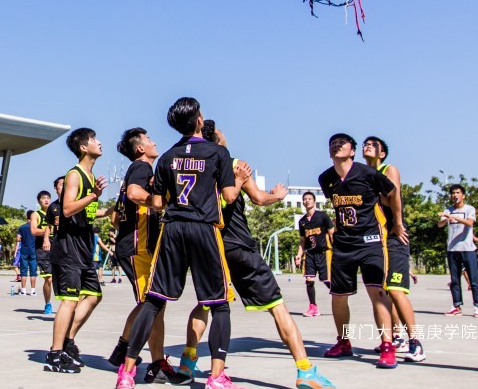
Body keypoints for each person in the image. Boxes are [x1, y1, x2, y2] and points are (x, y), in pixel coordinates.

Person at [177, 121, 335, 389]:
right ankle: (305, 371)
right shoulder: (234, 164)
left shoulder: (194, 167)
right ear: (218, 140)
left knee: (205, 304)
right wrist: (277, 195)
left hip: (209, 247)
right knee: (277, 306)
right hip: (238, 247)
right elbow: (259, 198)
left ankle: (187, 362)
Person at [117, 98, 247, 389]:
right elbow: (229, 196)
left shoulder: (167, 157)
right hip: (204, 229)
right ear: (199, 120)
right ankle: (216, 376)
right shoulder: (218, 152)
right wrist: (238, 180)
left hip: (172, 229)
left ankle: (127, 373)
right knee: (219, 304)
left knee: (153, 301)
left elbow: (158, 203)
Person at [107, 127, 188, 386]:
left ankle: (145, 358)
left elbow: (116, 217)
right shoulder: (142, 167)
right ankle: (143, 358)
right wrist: (159, 203)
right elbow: (133, 193)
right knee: (151, 304)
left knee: (153, 305)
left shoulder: (141, 171)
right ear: (141, 148)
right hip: (138, 248)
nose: (154, 142)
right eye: (149, 139)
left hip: (140, 246)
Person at [319, 133, 399, 369]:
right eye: (332, 143)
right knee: (338, 296)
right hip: (343, 244)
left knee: (377, 292)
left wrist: (397, 222)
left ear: (352, 151)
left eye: (341, 143)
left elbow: (392, 193)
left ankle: (387, 345)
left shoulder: (368, 173)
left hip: (370, 241)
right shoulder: (326, 178)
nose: (336, 145)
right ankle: (344, 342)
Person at [44, 128, 110, 374]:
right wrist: (94, 195)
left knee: (93, 295)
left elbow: (87, 212)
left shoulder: (90, 176)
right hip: (68, 247)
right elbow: (68, 208)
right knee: (69, 301)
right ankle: (54, 354)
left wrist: (109, 211)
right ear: (83, 147)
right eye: (94, 139)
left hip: (84, 248)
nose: (99, 142)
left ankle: (67, 341)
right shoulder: (75, 175)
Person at [363, 136, 425, 362]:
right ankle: (396, 337)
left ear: (382, 153)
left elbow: (393, 197)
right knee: (384, 292)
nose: (367, 146)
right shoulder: (363, 174)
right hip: (376, 240)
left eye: (373, 145)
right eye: (365, 144)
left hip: (394, 236)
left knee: (397, 291)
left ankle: (416, 342)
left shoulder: (389, 170)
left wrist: (398, 223)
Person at [439, 184, 478, 317]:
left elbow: (470, 223)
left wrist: (455, 218)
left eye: (458, 193)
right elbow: (440, 224)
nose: (455, 195)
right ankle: (456, 306)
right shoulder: (448, 210)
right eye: (453, 193)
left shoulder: (469, 209)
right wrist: (445, 219)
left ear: (463, 195)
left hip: (467, 249)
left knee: (473, 279)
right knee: (454, 280)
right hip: (452, 249)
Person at [295, 191, 333, 316]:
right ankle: (313, 307)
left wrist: (338, 249)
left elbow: (332, 233)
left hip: (323, 253)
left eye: (309, 198)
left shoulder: (322, 216)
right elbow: (302, 240)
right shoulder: (302, 221)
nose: (307, 201)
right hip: (309, 254)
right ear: (303, 202)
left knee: (326, 280)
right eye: (305, 199)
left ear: (314, 201)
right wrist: (299, 255)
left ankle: (340, 295)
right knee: (309, 280)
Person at [33, 178, 63, 314]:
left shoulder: (57, 209)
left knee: (61, 277)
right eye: (43, 198)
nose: (46, 200)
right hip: (43, 248)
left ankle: (64, 304)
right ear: (39, 201)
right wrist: (48, 231)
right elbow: (34, 231)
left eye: (48, 198)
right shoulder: (36, 214)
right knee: (49, 278)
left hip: (58, 245)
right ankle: (48, 304)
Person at [16, 210, 38, 296]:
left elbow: (18, 239)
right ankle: (33, 291)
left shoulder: (22, 227)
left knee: (23, 272)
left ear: (27, 217)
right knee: (33, 272)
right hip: (33, 251)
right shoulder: (36, 227)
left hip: (24, 252)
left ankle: (23, 290)